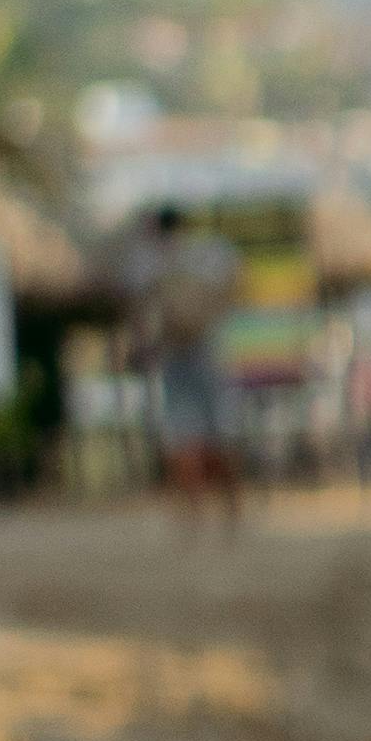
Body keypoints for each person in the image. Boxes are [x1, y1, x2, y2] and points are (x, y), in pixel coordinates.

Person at [124, 203, 246, 532]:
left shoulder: (150, 261)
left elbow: (142, 312)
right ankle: (231, 507)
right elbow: (231, 289)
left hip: (175, 353)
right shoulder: (209, 254)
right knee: (218, 431)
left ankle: (194, 513)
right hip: (207, 351)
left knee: (183, 436)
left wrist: (141, 349)